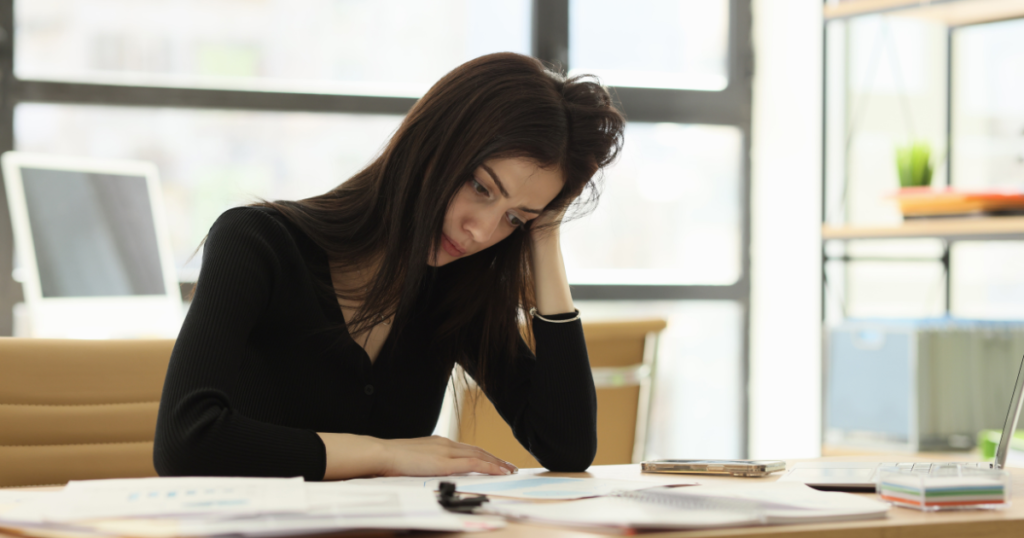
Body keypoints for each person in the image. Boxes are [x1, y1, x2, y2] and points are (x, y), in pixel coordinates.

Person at [153, 52, 626, 481]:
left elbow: (566, 447)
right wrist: (384, 454)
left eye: (513, 218)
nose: (481, 231)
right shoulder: (257, 242)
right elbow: (186, 441)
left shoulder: (454, 287)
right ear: (431, 146)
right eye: (481, 188)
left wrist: (543, 235)